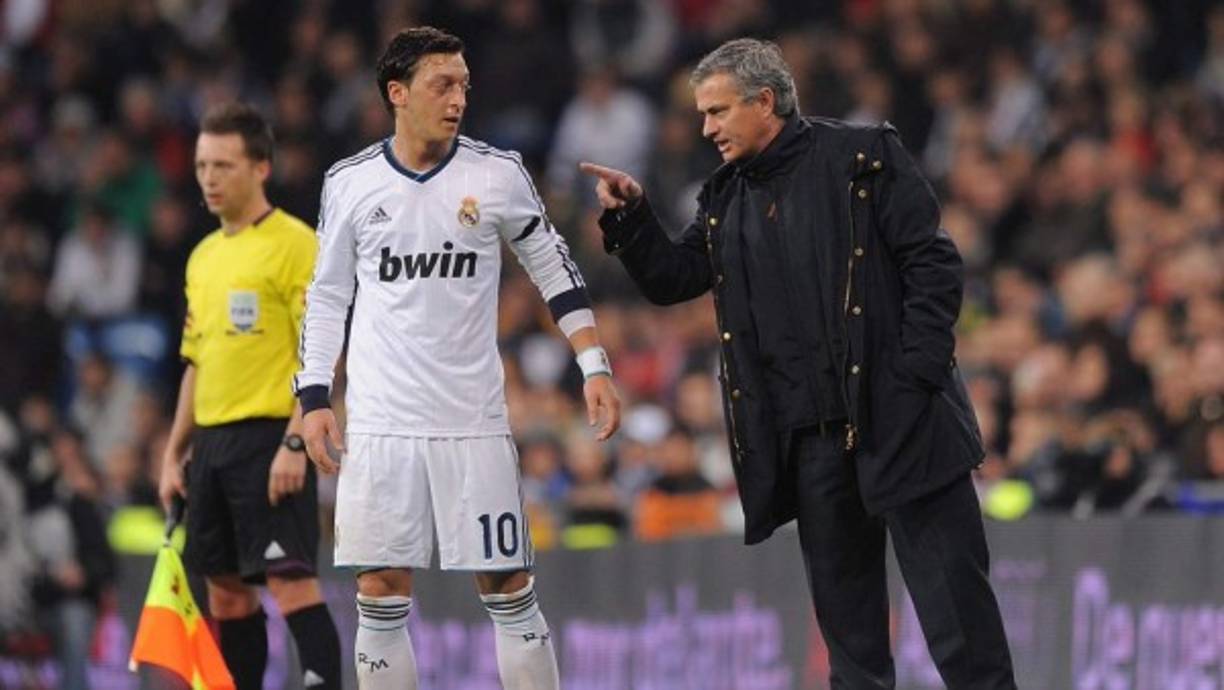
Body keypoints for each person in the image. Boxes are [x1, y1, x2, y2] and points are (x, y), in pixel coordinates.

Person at [581, 38, 1017, 690]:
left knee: (961, 629)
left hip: (903, 426)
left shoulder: (863, 156)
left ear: (765, 100)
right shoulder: (725, 196)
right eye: (703, 114)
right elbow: (677, 277)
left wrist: (915, 376)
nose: (707, 129)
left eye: (719, 111)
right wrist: (635, 219)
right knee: (852, 653)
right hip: (810, 445)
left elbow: (934, 265)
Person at [295, 27, 621, 690]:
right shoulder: (350, 182)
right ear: (397, 93)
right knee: (381, 594)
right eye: (442, 84)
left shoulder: (496, 173)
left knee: (509, 584)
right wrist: (314, 399)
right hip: (382, 425)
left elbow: (554, 270)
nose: (458, 98)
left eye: (465, 85)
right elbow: (326, 299)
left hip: (473, 419)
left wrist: (594, 364)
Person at [158, 102, 341, 690]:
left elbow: (321, 348)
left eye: (223, 165)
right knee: (227, 599)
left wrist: (296, 437)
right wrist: (172, 452)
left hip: (271, 438)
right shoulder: (202, 256)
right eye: (202, 165)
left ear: (261, 167)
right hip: (211, 446)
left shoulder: (296, 243)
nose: (208, 178)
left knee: (290, 584)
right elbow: (196, 363)